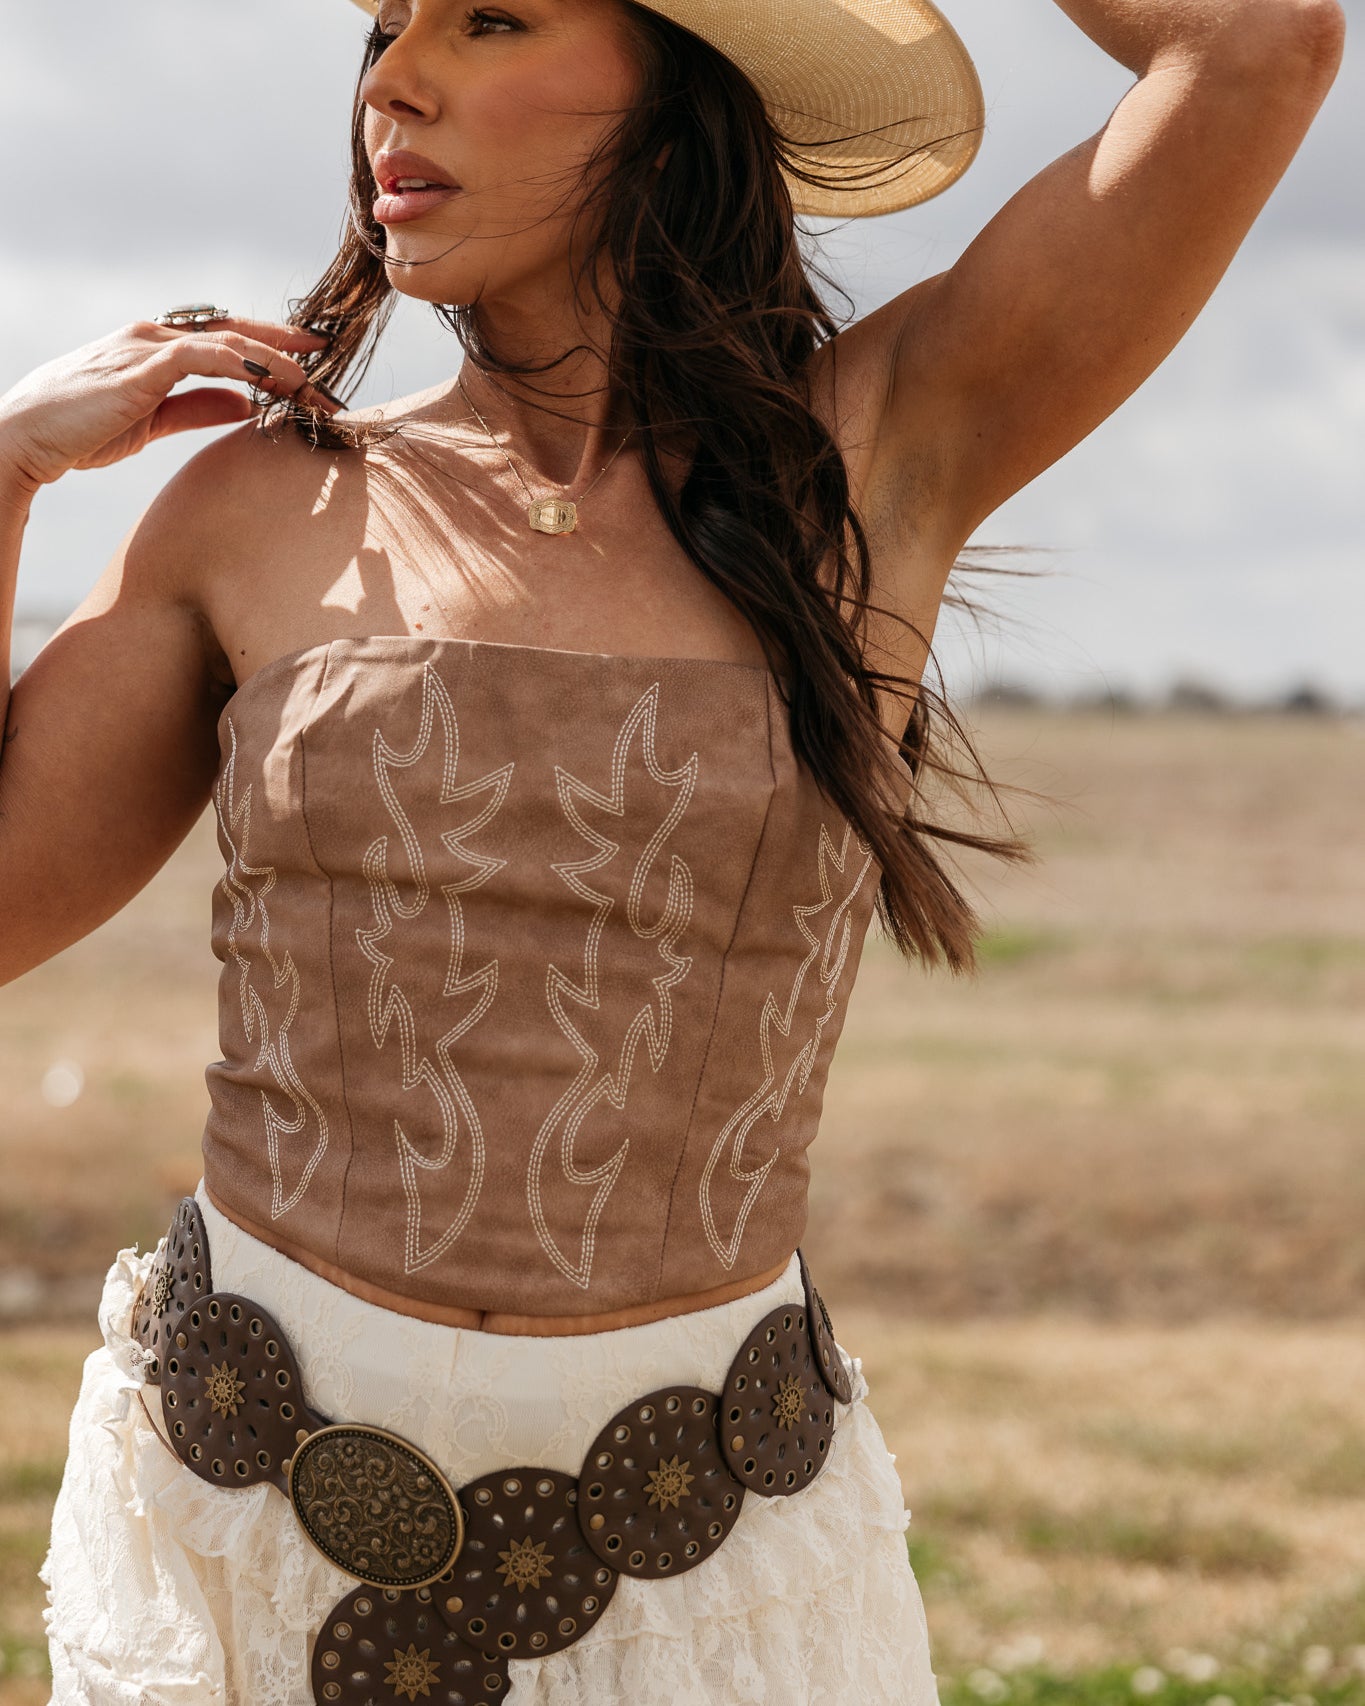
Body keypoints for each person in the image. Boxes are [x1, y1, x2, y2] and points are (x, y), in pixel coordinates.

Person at [0, 0, 1343, 1701]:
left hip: (705, 1567)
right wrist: (9, 473)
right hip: (239, 1531)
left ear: (679, 82)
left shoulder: (873, 451)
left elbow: (1256, 47)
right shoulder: (258, 510)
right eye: (385, 30)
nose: (395, 79)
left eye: (488, 18)